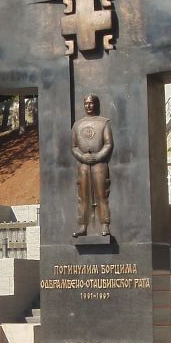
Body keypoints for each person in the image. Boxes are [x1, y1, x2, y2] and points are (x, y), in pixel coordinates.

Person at [71, 93, 113, 237]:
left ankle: (105, 224)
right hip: (83, 165)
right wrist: (82, 156)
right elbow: (74, 147)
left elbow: (108, 144)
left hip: (99, 164)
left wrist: (98, 156)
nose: (88, 106)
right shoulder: (77, 125)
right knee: (83, 197)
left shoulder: (104, 123)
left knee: (102, 195)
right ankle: (83, 225)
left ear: (96, 104)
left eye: (91, 103)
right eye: (86, 103)